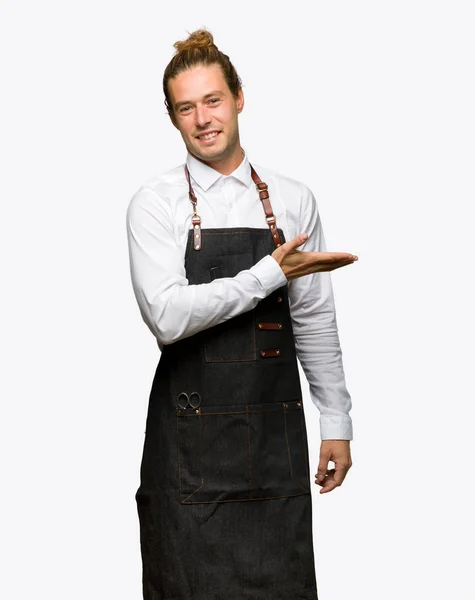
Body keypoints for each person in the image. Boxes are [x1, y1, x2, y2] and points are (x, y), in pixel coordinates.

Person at [126, 27, 357, 600]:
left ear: (238, 97)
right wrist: (268, 274)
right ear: (172, 117)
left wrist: (336, 420)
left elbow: (313, 318)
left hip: (273, 453)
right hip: (187, 456)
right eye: (186, 108)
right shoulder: (156, 204)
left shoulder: (293, 199)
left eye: (213, 100)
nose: (203, 118)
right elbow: (168, 317)